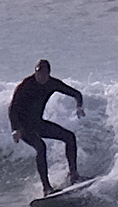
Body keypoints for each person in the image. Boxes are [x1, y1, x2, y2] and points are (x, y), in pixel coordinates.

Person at [9, 59, 86, 194]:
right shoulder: (26, 85)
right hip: (23, 127)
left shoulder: (52, 84)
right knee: (40, 146)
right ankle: (47, 188)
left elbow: (76, 93)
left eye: (43, 74)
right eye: (38, 73)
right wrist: (15, 129)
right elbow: (12, 108)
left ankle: (74, 175)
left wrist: (79, 106)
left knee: (69, 137)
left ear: (48, 74)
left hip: (37, 123)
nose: (40, 76)